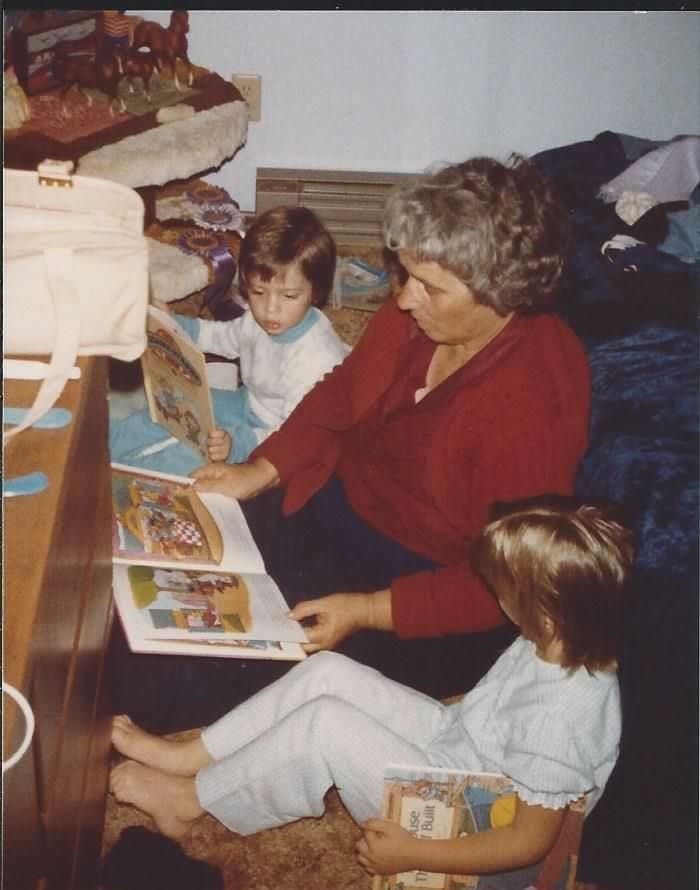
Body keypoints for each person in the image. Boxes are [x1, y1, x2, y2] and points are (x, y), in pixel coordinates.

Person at [112, 154, 591, 734]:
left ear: (500, 294)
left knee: (178, 677)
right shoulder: (416, 314)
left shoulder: (535, 402)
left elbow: (501, 587)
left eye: (429, 287)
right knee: (151, 570)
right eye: (405, 274)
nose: (405, 298)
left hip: (417, 592)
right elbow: (342, 394)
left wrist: (366, 612)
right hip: (331, 505)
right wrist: (264, 468)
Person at [109, 497, 632, 883]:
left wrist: (415, 854)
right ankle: (190, 758)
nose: (492, 594)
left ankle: (192, 800)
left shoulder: (558, 720)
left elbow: (528, 842)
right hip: (463, 753)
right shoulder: (554, 637)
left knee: (327, 727)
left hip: (471, 830)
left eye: (501, 587)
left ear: (543, 607)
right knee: (328, 671)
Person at [109, 206, 349, 475]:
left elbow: (294, 436)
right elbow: (223, 336)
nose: (270, 309)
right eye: (258, 292)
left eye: (289, 296)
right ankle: (104, 443)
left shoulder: (316, 358)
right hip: (247, 402)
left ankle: (132, 477)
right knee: (171, 404)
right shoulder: (258, 319)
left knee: (193, 456)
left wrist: (238, 444)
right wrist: (173, 325)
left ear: (316, 292)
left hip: (270, 433)